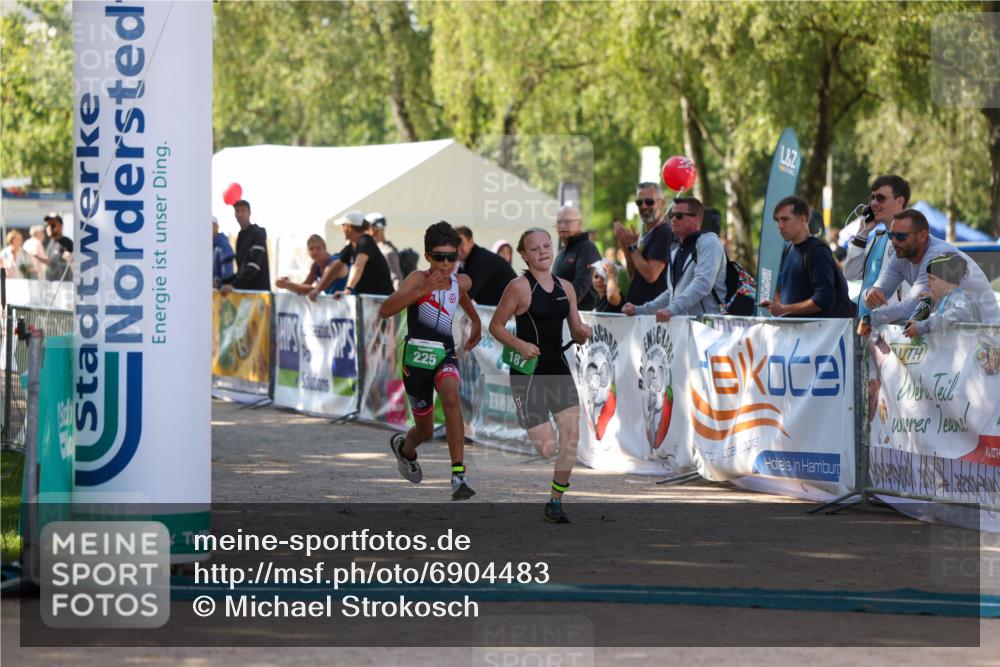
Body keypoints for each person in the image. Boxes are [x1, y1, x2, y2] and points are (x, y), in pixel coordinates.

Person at [489, 228, 593, 524]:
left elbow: (576, 331)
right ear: (524, 254)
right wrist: (520, 344)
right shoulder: (519, 287)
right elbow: (495, 326)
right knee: (547, 449)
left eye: (547, 246)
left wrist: (583, 333)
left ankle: (555, 502)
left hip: (557, 367)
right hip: (528, 373)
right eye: (535, 248)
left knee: (571, 436)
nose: (543, 252)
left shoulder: (566, 288)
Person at [380, 222, 482, 500]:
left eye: (452, 257)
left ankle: (458, 475)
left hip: (444, 354)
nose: (446, 263)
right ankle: (405, 449)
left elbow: (462, 294)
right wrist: (421, 292)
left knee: (451, 397)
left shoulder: (459, 281)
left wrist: (476, 322)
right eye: (439, 257)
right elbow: (385, 309)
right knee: (424, 430)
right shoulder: (417, 278)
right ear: (427, 256)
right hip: (415, 360)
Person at [864, 209, 1000, 327]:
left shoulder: (939, 255)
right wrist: (870, 294)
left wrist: (870, 319)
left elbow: (910, 308)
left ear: (922, 235)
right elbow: (879, 293)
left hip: (985, 337)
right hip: (957, 334)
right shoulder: (900, 254)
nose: (893, 242)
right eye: (891, 235)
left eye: (900, 236)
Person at [622, 197, 727, 321]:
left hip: (707, 329)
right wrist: (641, 310)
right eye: (671, 215)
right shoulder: (676, 248)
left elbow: (702, 284)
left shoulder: (709, 242)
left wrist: (671, 309)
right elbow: (672, 293)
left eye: (679, 216)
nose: (672, 219)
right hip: (682, 329)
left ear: (697, 219)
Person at [760, 196, 853, 318]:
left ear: (802, 219)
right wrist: (777, 304)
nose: (780, 226)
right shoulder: (789, 249)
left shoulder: (818, 251)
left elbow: (823, 300)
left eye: (785, 219)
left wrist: (783, 309)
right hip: (796, 334)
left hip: (820, 334)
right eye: (777, 220)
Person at [845, 176, 911, 329]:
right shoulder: (877, 239)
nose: (874, 203)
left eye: (881, 198)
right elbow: (850, 274)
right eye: (872, 197)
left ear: (899, 201)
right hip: (867, 327)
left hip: (894, 331)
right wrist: (862, 234)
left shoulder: (911, 240)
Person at [613, 182, 674, 306]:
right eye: (639, 203)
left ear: (662, 203)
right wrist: (627, 248)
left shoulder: (664, 233)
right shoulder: (647, 235)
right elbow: (634, 276)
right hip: (637, 312)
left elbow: (651, 275)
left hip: (652, 316)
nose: (644, 206)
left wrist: (632, 247)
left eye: (649, 202)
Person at [903, 252, 981, 338]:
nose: (928, 284)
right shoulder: (948, 298)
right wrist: (930, 306)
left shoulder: (959, 297)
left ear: (947, 278)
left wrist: (923, 326)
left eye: (932, 278)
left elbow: (957, 314)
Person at [332, 211, 393, 298]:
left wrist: (348, 290)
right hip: (372, 301)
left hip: (381, 302)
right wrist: (317, 289)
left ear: (349, 228)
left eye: (342, 226)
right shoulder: (352, 245)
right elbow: (336, 266)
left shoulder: (366, 242)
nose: (341, 229)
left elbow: (358, 266)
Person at [553, 205, 601, 310]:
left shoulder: (587, 248)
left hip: (583, 318)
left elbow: (580, 287)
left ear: (580, 224)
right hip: (562, 316)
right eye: (558, 222)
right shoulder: (562, 252)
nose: (562, 226)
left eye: (567, 222)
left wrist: (554, 307)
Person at [219, 200, 271, 295]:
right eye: (237, 211)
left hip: (258, 296)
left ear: (249, 213)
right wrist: (223, 283)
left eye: (243, 211)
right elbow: (241, 271)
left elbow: (253, 266)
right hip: (244, 296)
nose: (240, 214)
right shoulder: (240, 237)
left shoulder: (257, 234)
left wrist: (233, 286)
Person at [456, 226, 516, 306]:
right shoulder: (466, 261)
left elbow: (464, 295)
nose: (457, 249)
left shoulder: (481, 260)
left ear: (471, 242)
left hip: (519, 314)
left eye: (461, 244)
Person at [275, 234, 349, 300]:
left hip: (348, 304)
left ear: (325, 248)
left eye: (318, 248)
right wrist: (287, 283)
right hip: (335, 304)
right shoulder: (316, 265)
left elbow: (316, 289)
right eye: (311, 249)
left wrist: (288, 284)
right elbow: (305, 286)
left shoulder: (334, 263)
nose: (315, 252)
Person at [366, 212, 404, 290]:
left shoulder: (388, 252)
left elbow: (397, 279)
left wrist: (397, 300)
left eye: (366, 227)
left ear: (374, 228)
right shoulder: (373, 248)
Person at [44, 213, 73, 281]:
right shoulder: (50, 242)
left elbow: (70, 261)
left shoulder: (67, 242)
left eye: (52, 225)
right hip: (50, 284)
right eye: (47, 225)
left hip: (63, 284)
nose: (49, 228)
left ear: (61, 226)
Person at [212, 216, 235, 288]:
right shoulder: (209, 246)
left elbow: (227, 275)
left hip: (220, 293)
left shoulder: (223, 245)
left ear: (216, 226)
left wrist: (220, 283)